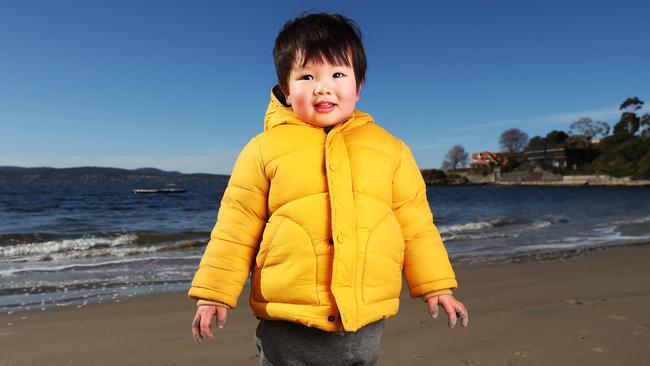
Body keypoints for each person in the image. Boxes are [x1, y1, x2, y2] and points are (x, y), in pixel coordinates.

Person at [189, 12, 468, 365]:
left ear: (358, 86)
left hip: (364, 320)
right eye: (307, 76)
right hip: (288, 322)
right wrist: (214, 293)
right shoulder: (264, 149)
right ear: (286, 91)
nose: (323, 87)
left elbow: (415, 225)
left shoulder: (391, 149)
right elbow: (236, 227)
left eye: (338, 74)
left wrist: (435, 285)